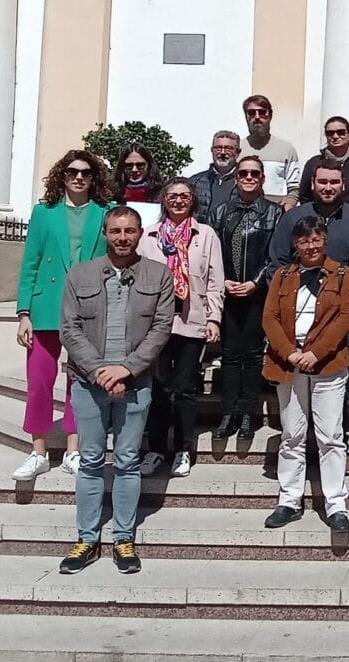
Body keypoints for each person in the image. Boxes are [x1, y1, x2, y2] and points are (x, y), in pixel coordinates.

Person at [57, 207, 175, 574]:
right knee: (91, 462)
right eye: (115, 231)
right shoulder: (80, 275)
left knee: (126, 462)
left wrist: (126, 369)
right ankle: (87, 539)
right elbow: (69, 329)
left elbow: (161, 328)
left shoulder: (159, 275)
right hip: (88, 384)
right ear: (105, 233)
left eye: (129, 231)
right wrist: (99, 371)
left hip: (136, 383)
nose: (122, 237)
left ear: (141, 234)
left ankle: (123, 538)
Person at [12, 150, 114, 481]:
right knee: (39, 381)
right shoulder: (44, 213)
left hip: (88, 307)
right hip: (45, 308)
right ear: (63, 175)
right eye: (72, 172)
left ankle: (74, 449)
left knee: (80, 382)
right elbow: (30, 264)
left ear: (94, 177)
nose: (79, 177)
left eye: (86, 172)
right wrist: (23, 313)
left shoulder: (106, 212)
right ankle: (38, 451)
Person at [261, 216, 349, 533]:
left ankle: (336, 504)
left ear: (325, 241)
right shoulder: (282, 275)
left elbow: (344, 318)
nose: (311, 246)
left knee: (331, 437)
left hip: (326, 364)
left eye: (316, 239)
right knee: (292, 435)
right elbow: (270, 318)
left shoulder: (341, 274)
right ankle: (289, 500)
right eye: (304, 241)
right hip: (288, 364)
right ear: (295, 244)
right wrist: (290, 352)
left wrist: (316, 353)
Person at [139, 179, 224, 479]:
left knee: (186, 388)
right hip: (155, 323)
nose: (178, 201)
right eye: (172, 196)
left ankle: (183, 449)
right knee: (159, 388)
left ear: (193, 201)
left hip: (192, 320)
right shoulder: (148, 235)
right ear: (163, 200)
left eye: (184, 196)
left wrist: (214, 319)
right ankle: (156, 448)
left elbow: (215, 281)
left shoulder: (206, 235)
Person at [208, 155, 283, 441]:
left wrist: (256, 282)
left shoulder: (274, 214)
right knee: (229, 355)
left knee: (252, 355)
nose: (249, 178)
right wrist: (221, 280)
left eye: (254, 173)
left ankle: (249, 413)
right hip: (227, 294)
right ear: (236, 178)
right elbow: (212, 252)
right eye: (243, 174)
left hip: (257, 295)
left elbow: (276, 255)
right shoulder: (220, 212)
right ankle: (228, 412)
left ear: (262, 178)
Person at [267, 163, 349, 320]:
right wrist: (282, 299)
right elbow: (277, 261)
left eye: (334, 182)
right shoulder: (292, 218)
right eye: (322, 181)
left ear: (343, 185)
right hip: (296, 308)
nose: (328, 187)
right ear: (312, 184)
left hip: (341, 308)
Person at [238, 94, 300, 208]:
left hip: (276, 216)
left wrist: (284, 213)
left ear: (270, 115)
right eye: (251, 113)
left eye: (262, 112)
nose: (257, 117)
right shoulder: (238, 149)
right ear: (246, 116)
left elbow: (294, 190)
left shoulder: (286, 149)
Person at [297, 116, 349, 206]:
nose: (335, 136)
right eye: (330, 133)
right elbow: (304, 195)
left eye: (341, 132)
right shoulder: (314, 163)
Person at [189, 130, 240, 220]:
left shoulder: (247, 183)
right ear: (212, 150)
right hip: (203, 233)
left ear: (237, 152)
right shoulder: (195, 182)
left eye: (228, 148)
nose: (223, 152)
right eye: (218, 148)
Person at [112, 142, 164, 207]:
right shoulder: (111, 193)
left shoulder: (162, 194)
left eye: (140, 165)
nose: (134, 170)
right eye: (129, 165)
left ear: (149, 165)